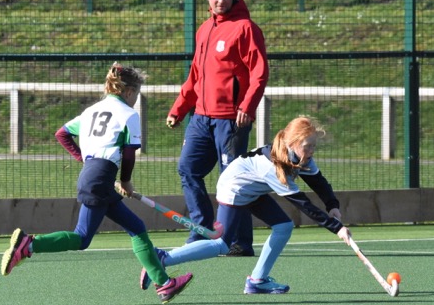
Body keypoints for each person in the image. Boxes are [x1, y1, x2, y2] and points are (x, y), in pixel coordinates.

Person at [1, 62, 193, 304]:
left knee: (136, 227)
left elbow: (62, 133)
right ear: (129, 92)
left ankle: (164, 284)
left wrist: (85, 160)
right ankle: (29, 245)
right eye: (137, 94)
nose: (136, 99)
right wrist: (125, 181)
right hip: (100, 177)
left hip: (93, 175)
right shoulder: (129, 115)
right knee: (82, 238)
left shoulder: (92, 111)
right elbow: (129, 153)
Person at [140, 116, 351, 294]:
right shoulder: (272, 166)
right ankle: (163, 258)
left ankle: (258, 281)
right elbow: (303, 204)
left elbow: (318, 181)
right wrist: (337, 228)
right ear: (292, 142)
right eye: (308, 146)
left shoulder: (300, 157)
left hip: (252, 190)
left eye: (314, 146)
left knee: (283, 226)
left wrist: (332, 205)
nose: (312, 150)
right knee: (222, 244)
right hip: (234, 189)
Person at [166, 0, 269, 257]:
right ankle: (201, 232)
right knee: (188, 169)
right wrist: (179, 109)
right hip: (201, 118)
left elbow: (259, 74)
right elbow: (195, 76)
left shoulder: (246, 28)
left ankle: (239, 242)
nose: (219, 0)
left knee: (232, 181)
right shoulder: (204, 29)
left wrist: (247, 106)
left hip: (231, 119)